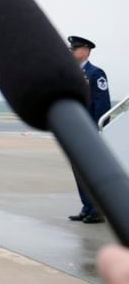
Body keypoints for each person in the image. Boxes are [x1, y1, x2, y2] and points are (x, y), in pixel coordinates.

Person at [66, 35, 111, 224]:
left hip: (90, 131)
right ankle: (87, 207)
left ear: (85, 51)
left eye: (74, 49)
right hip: (76, 130)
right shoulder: (72, 73)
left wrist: (96, 130)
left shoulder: (95, 74)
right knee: (80, 172)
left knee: (92, 172)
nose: (71, 51)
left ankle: (97, 210)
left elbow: (102, 106)